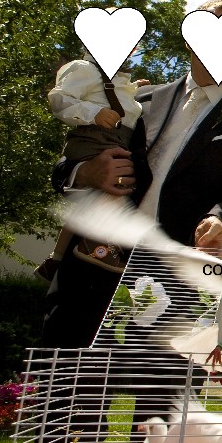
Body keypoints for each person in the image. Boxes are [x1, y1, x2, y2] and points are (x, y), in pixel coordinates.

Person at [37, 0, 222, 443]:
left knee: (160, 423)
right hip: (91, 267)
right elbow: (68, 164)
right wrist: (87, 172)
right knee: (65, 404)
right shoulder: (135, 99)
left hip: (174, 282)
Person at [40, 45, 146, 274]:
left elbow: (113, 97)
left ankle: (55, 260)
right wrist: (93, 114)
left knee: (84, 205)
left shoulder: (116, 78)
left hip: (112, 139)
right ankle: (96, 243)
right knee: (120, 182)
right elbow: (58, 99)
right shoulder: (85, 69)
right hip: (95, 138)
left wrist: (135, 88)